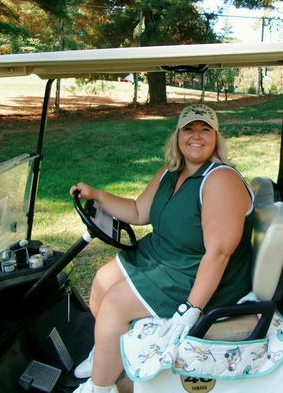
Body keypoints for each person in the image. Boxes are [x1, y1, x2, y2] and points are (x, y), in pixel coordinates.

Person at [70, 103, 255, 393]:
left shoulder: (220, 180)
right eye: (189, 129)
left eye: (205, 129)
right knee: (102, 281)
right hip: (163, 256)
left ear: (216, 138)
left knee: (115, 304)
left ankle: (99, 386)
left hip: (196, 272)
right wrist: (97, 195)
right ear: (178, 136)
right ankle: (107, 353)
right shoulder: (170, 172)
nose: (197, 136)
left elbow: (218, 253)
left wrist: (192, 308)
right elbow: (137, 211)